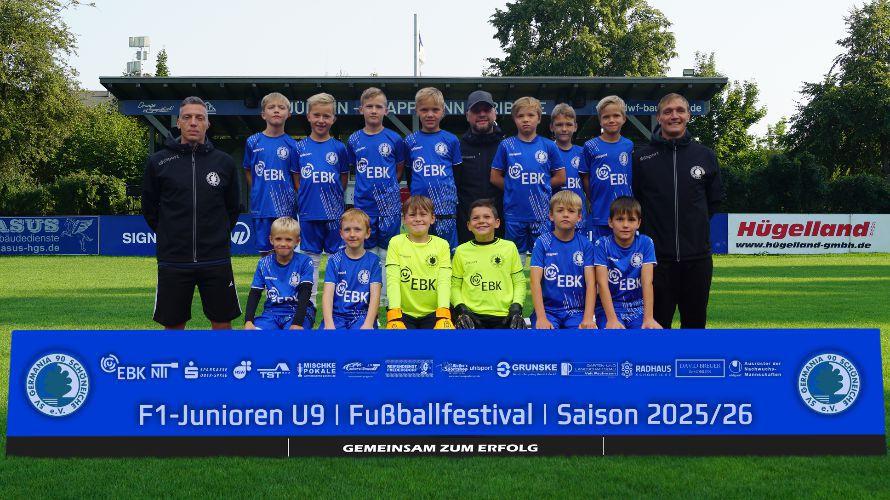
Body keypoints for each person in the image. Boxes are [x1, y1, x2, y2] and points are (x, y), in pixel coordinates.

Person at [142, 96, 241, 330]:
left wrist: (216, 235)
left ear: (208, 123)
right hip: (174, 259)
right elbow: (149, 208)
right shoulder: (158, 162)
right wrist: (170, 234)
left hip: (215, 257)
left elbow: (233, 208)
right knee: (173, 325)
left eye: (199, 118)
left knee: (222, 322)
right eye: (187, 117)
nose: (193, 122)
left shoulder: (224, 163)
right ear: (178, 122)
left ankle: (223, 358)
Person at [632, 93, 724, 329]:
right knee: (656, 327)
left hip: (697, 259)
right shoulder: (642, 158)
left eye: (680, 110)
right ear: (659, 117)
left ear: (689, 116)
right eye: (668, 111)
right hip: (656, 260)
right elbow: (637, 202)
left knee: (694, 326)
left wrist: (693, 231)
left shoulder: (705, 155)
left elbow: (713, 203)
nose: (674, 116)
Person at [346, 87, 405, 305]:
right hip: (364, 205)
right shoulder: (354, 139)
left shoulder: (394, 138)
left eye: (378, 107)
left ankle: (387, 296)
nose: (373, 110)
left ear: (386, 110)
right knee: (367, 250)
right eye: (369, 106)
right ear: (361, 109)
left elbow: (398, 169)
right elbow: (353, 168)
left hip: (389, 205)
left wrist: (387, 191)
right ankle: (368, 294)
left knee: (388, 251)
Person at [490, 96, 566, 261]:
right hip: (514, 215)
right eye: (520, 116)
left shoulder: (548, 145)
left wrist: (542, 185)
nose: (526, 119)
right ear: (514, 119)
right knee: (516, 260)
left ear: (539, 118)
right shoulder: (506, 145)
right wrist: (513, 186)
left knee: (542, 259)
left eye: (531, 115)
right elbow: (495, 177)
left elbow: (560, 177)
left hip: (541, 215)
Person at [291, 92, 349, 297]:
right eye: (316, 115)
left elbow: (343, 178)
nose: (321, 120)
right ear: (308, 116)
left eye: (326, 116)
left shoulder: (339, 148)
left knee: (336, 260)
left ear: (333, 118)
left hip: (334, 214)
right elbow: (297, 180)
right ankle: (310, 303)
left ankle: (337, 303)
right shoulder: (299, 148)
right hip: (309, 213)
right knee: (310, 262)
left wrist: (333, 200)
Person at [451, 199, 526, 329]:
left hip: (505, 316)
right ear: (469, 225)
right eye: (476, 218)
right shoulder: (461, 251)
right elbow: (454, 286)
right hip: (472, 316)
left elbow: (519, 282)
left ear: (497, 223)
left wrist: (516, 307)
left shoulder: (509, 247)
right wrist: (461, 308)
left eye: (487, 217)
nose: (481, 221)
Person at [403, 87, 462, 250]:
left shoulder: (451, 140)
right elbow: (409, 175)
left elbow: (457, 175)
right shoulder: (410, 141)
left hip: (445, 208)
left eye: (435, 110)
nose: (430, 114)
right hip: (420, 210)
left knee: (446, 251)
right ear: (417, 111)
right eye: (424, 110)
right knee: (420, 250)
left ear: (443, 111)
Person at [384, 196, 454, 330]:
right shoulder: (396, 243)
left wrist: (443, 314)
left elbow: (444, 281)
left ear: (432, 218)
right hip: (403, 313)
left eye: (423, 214)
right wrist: (394, 315)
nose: (417, 219)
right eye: (412, 215)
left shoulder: (442, 245)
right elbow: (393, 280)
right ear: (404, 219)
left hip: (434, 313)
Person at [529, 191, 596, 330]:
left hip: (576, 311)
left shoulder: (586, 245)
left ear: (579, 217)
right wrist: (541, 318)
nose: (565, 214)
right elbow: (535, 282)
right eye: (560, 210)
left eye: (571, 211)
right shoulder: (542, 242)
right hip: (548, 311)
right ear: (551, 215)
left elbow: (591, 284)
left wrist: (588, 318)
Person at [593, 197, 661, 330]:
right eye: (620, 219)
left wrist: (648, 318)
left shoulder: (646, 243)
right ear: (610, 222)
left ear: (639, 223)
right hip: (611, 308)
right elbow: (602, 284)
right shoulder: (602, 244)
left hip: (638, 308)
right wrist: (612, 320)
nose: (625, 225)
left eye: (631, 220)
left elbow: (647, 282)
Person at [243, 92, 298, 254]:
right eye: (271, 107)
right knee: (265, 253)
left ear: (288, 114)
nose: (276, 110)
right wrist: (258, 190)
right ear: (263, 114)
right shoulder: (252, 141)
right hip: (262, 207)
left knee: (285, 252)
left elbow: (295, 177)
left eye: (281, 107)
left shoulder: (293, 145)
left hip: (285, 209)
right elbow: (248, 170)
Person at [244, 217, 316, 330]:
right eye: (278, 239)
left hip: (298, 312)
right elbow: (255, 293)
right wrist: (248, 321)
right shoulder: (264, 263)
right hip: (271, 313)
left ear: (297, 241)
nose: (283, 243)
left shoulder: (305, 262)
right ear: (271, 240)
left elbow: (305, 293)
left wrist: (297, 323)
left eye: (288, 239)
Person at [579, 95, 634, 242]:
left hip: (625, 211)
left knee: (623, 249)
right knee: (601, 250)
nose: (611, 120)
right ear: (600, 120)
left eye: (616, 115)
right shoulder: (590, 146)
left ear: (624, 118)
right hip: (601, 210)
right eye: (606, 117)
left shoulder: (629, 145)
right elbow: (585, 176)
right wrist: (593, 199)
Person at [456, 90, 505, 243]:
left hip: (502, 224)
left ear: (494, 113)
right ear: (467, 116)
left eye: (486, 110)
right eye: (476, 110)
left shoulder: (507, 146)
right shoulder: (457, 147)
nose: (482, 114)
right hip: (467, 225)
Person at [321, 209, 382, 330]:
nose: (352, 234)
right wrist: (329, 324)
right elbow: (327, 295)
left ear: (367, 233)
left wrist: (368, 324)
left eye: (357, 229)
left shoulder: (373, 261)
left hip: (362, 316)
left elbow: (375, 297)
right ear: (341, 233)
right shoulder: (334, 260)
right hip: (337, 316)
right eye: (347, 229)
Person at [550, 103, 588, 231]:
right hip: (553, 218)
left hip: (578, 217)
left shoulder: (583, 153)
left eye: (569, 124)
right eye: (559, 125)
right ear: (551, 127)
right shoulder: (545, 152)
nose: (564, 129)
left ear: (575, 127)